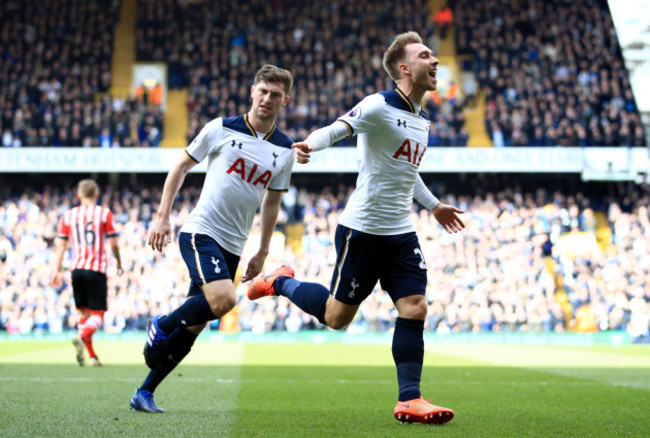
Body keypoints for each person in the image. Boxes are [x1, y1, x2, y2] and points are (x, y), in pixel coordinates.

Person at [247, 32, 464, 425]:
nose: (435, 62)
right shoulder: (379, 105)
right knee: (336, 318)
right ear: (404, 67)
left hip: (401, 232)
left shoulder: (423, 120)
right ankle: (278, 281)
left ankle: (409, 399)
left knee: (416, 307)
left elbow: (407, 173)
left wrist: (433, 207)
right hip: (361, 231)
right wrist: (309, 145)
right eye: (425, 56)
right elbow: (337, 128)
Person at [130, 64, 295, 413]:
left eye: (275, 94)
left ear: (285, 100)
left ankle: (144, 392)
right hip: (201, 231)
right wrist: (162, 217)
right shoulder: (221, 128)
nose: (267, 98)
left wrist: (262, 249)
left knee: (198, 323)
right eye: (263, 91)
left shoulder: (285, 150)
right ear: (253, 91)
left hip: (234, 244)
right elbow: (180, 167)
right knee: (223, 301)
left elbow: (273, 201)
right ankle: (161, 323)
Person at [52, 179, 123, 366]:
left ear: (79, 195)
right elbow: (114, 243)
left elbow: (60, 245)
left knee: (84, 314)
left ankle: (91, 357)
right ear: (96, 195)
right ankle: (81, 336)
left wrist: (57, 270)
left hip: (76, 270)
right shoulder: (103, 213)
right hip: (96, 269)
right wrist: (119, 262)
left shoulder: (68, 216)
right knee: (98, 315)